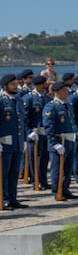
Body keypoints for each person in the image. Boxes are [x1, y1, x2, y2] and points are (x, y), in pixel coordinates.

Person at [43, 80, 78, 200]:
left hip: (69, 141)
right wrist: (54, 143)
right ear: (55, 93)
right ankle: (57, 191)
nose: (66, 92)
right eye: (63, 91)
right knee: (57, 169)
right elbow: (49, 127)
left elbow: (72, 123)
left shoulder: (68, 105)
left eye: (66, 90)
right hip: (59, 142)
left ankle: (65, 189)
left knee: (68, 168)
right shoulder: (51, 106)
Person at [1, 74, 25, 210]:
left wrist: (24, 139)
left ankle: (13, 198)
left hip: (17, 142)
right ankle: (3, 199)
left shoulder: (19, 100)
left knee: (14, 172)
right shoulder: (1, 101)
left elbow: (22, 122)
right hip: (5, 143)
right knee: (3, 173)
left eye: (16, 84)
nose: (16, 87)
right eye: (13, 84)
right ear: (5, 86)